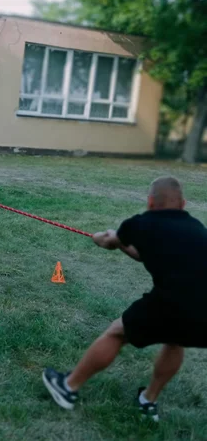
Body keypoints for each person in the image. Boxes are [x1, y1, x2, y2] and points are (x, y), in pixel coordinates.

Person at [43, 176, 207, 423]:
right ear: (183, 204)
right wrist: (122, 245)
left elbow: (107, 241)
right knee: (175, 340)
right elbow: (146, 254)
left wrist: (102, 236)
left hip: (173, 301)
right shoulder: (197, 228)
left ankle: (68, 387)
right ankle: (148, 401)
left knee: (117, 333)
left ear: (151, 201)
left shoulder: (140, 224)